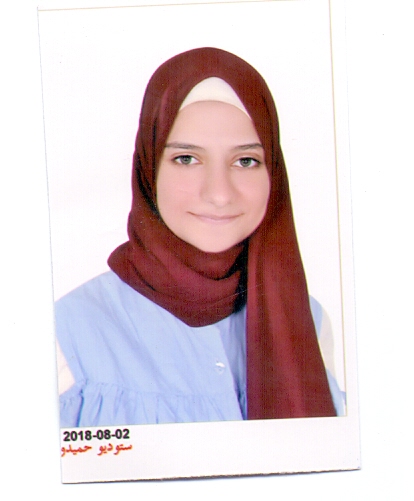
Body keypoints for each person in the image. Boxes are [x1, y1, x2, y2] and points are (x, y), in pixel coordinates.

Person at [56, 47, 345, 428]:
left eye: (246, 160)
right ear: (149, 166)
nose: (219, 194)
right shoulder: (65, 332)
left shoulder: (308, 319)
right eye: (187, 159)